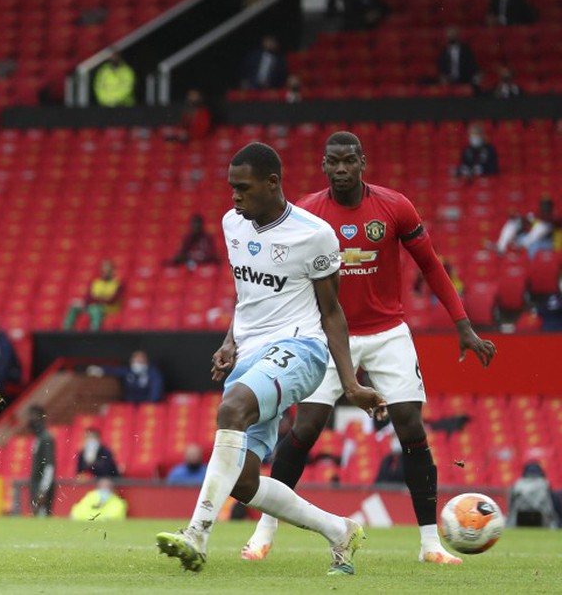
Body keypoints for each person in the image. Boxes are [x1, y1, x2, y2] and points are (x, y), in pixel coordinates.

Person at [240, 131, 496, 566]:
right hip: (326, 335)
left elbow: (430, 265)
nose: (341, 169)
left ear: (363, 163)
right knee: (306, 428)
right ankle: (264, 532)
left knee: (410, 427)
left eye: (349, 161)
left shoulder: (395, 207)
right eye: (333, 162)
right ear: (324, 166)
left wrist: (463, 325)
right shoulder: (307, 212)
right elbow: (279, 276)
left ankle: (430, 544)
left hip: (387, 331)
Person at [155, 142, 386, 576]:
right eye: (231, 187)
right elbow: (247, 294)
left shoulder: (314, 234)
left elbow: (332, 312)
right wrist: (230, 341)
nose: (235, 196)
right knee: (243, 482)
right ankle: (339, 530)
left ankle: (196, 534)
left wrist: (350, 383)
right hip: (251, 355)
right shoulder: (232, 223)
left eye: (243, 188)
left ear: (272, 183)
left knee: (231, 409)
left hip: (301, 349)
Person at [62, 259, 122, 331]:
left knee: (96, 310)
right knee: (74, 306)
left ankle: (94, 332)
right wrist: (99, 299)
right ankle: (66, 331)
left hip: (108, 308)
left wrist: (97, 299)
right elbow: (88, 297)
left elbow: (112, 300)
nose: (105, 271)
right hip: (93, 305)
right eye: (103, 269)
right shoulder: (96, 282)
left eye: (108, 269)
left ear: (113, 270)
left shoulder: (117, 284)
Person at [89, 350, 163, 404]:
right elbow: (115, 370)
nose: (137, 364)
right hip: (129, 403)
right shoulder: (128, 370)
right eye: (135, 361)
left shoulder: (152, 372)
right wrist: (101, 370)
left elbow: (156, 388)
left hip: (145, 403)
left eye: (140, 361)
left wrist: (150, 402)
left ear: (146, 362)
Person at [507, 461, 560, 528]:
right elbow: (551, 506)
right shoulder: (545, 483)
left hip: (520, 516)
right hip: (541, 517)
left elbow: (511, 504)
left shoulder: (518, 484)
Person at [27, 405, 56, 517]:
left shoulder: (46, 438)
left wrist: (43, 489)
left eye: (33, 416)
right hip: (36, 484)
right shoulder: (38, 438)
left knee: (42, 516)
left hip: (42, 485)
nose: (31, 419)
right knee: (36, 515)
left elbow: (50, 465)